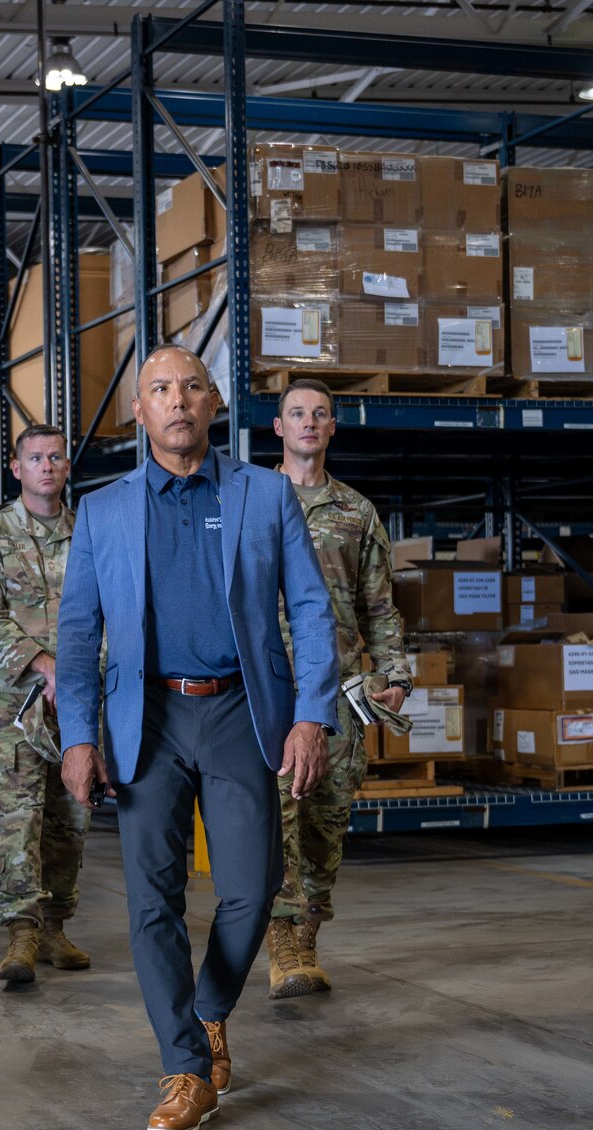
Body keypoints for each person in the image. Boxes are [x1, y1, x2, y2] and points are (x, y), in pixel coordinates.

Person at [57, 346, 338, 1130]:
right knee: (153, 901)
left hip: (241, 711)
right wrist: (79, 736)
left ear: (214, 404)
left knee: (253, 885)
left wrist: (310, 714)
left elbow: (311, 613)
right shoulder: (105, 511)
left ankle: (210, 1009)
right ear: (138, 413)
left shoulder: (265, 496)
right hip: (146, 718)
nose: (176, 400)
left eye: (190, 387)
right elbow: (78, 636)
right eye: (159, 390)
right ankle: (184, 1065)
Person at [266, 382, 409, 998]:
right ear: (278, 427)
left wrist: (395, 673)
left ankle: (309, 936)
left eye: (319, 414)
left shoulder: (356, 511)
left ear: (332, 427)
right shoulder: (251, 501)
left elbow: (379, 604)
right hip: (270, 687)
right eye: (297, 413)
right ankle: (282, 944)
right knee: (276, 814)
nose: (308, 423)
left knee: (328, 817)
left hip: (339, 691)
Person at [0, 423, 89, 983]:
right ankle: (21, 933)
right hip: (13, 702)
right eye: (35, 457)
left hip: (77, 703)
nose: (47, 466)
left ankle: (56, 925)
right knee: (18, 816)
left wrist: (84, 674)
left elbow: (111, 613)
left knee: (70, 819)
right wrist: (45, 664)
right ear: (16, 468)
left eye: (56, 457)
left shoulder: (89, 535)